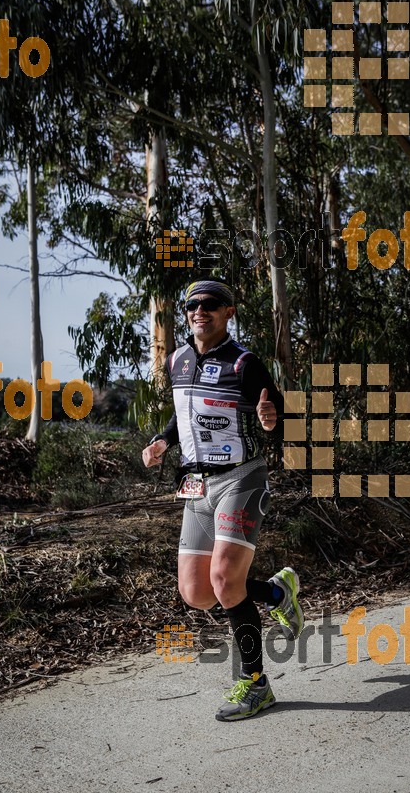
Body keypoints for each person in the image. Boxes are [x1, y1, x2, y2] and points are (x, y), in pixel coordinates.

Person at [142, 279, 304, 721]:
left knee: (225, 577)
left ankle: (255, 685)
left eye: (210, 305)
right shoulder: (176, 361)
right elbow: (183, 417)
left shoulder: (244, 363)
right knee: (196, 593)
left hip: (241, 478)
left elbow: (281, 416)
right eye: (192, 305)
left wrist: (272, 422)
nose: (199, 311)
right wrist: (161, 442)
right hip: (195, 485)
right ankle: (276, 592)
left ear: (229, 312)